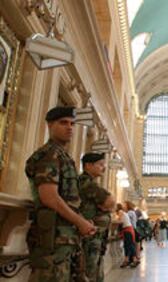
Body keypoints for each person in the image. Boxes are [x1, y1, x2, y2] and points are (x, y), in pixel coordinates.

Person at [25, 106, 96, 282]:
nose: (70, 127)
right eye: (63, 123)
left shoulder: (63, 155)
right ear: (50, 125)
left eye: (72, 123)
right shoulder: (49, 155)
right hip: (52, 240)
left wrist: (83, 221)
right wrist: (80, 222)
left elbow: (68, 199)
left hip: (65, 239)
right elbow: (49, 197)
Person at [79, 152, 115, 282]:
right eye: (100, 165)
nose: (103, 168)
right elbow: (110, 202)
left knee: (96, 272)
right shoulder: (85, 182)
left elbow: (110, 204)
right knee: (90, 273)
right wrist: (107, 205)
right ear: (88, 165)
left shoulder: (92, 183)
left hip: (96, 237)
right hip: (89, 237)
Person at [116, 203, 139, 268]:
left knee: (130, 245)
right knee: (127, 245)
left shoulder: (120, 211)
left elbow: (119, 221)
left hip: (128, 230)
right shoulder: (124, 212)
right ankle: (126, 260)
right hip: (127, 230)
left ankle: (134, 260)